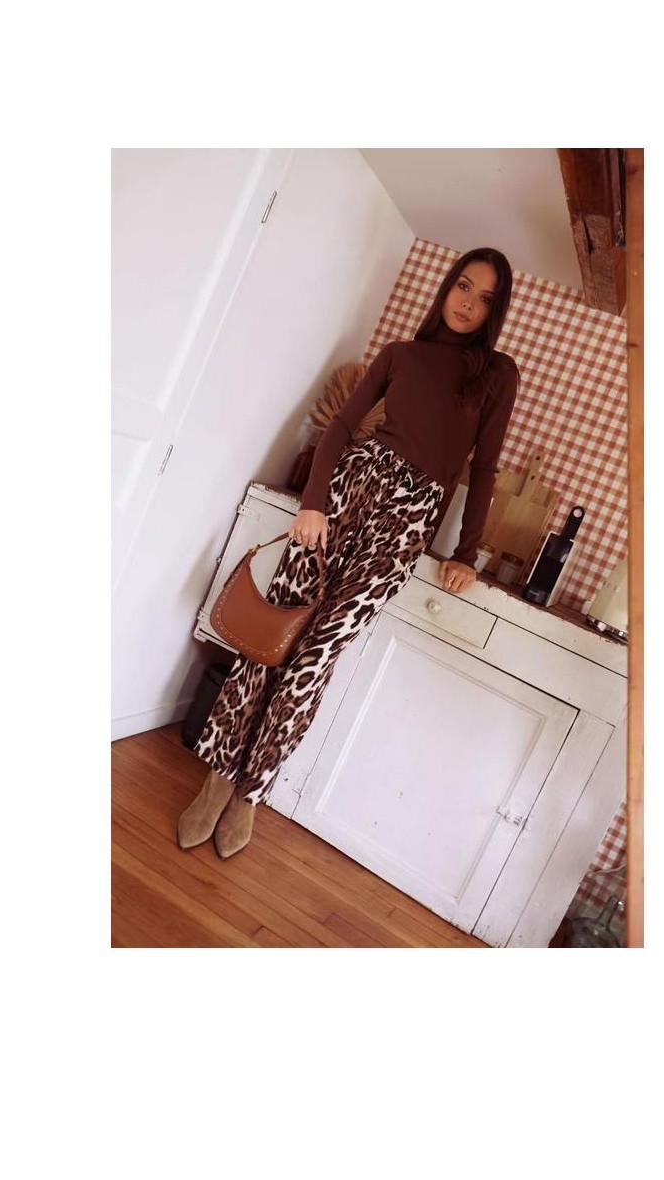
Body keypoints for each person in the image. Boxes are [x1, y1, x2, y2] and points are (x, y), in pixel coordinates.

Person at [178, 247, 521, 859]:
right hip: (343, 495)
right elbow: (340, 427)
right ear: (447, 287)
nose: (469, 303)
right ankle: (217, 777)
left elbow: (484, 467)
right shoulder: (400, 355)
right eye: (463, 286)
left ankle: (251, 791)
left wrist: (466, 552)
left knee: (313, 657)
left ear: (496, 310)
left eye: (485, 297)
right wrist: (312, 503)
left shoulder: (496, 374)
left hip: (405, 525)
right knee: (271, 635)